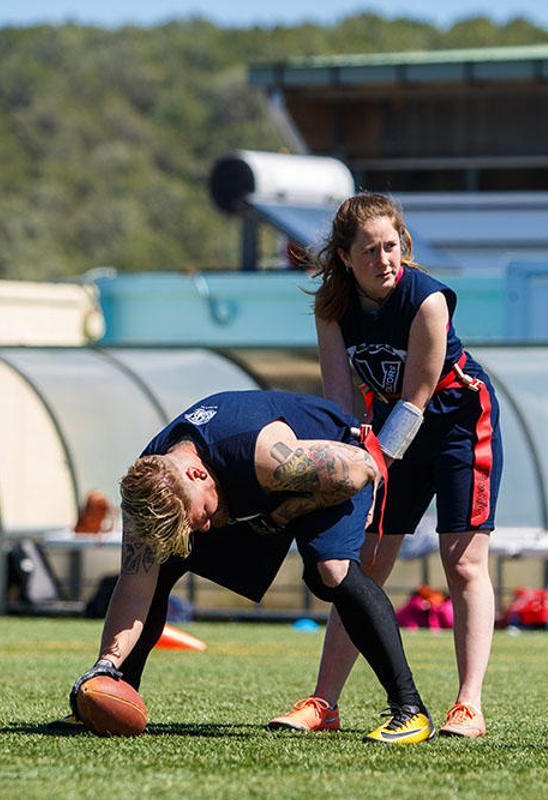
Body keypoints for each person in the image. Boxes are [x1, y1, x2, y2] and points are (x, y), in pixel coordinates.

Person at [62, 390, 435, 744]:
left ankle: (410, 709)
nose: (201, 529)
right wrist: (105, 664)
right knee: (163, 560)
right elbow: (134, 585)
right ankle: (116, 690)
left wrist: (283, 514)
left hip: (336, 467)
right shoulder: (149, 488)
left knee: (331, 572)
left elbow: (363, 468)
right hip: (255, 492)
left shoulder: (268, 454)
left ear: (197, 475)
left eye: (197, 515)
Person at [269, 193, 501, 738]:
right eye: (369, 251)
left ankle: (468, 705)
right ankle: (324, 702)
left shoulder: (427, 300)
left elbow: (416, 400)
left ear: (404, 245)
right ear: (345, 258)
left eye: (391, 246)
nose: (384, 260)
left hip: (457, 423)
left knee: (463, 562)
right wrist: (334, 466)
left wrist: (367, 466)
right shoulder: (333, 306)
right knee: (362, 564)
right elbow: (339, 400)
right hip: (391, 429)